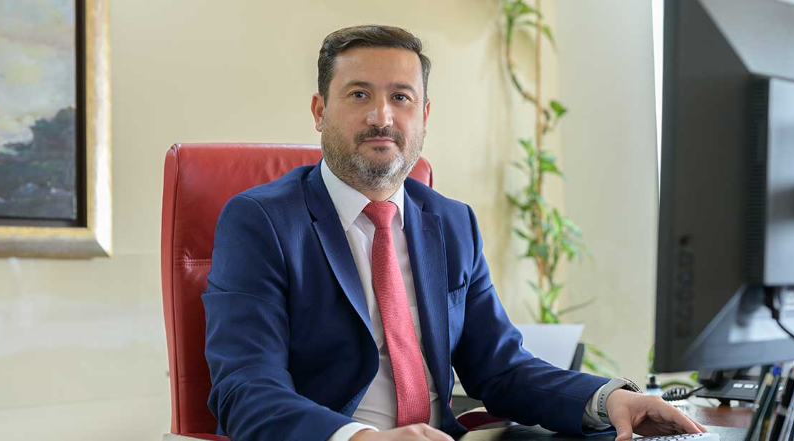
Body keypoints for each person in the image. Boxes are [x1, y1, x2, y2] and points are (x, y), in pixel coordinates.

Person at [202, 25, 707, 441]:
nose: (382, 117)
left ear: (423, 116)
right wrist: (360, 439)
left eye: (401, 97)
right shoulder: (262, 222)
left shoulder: (451, 222)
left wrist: (608, 399)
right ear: (320, 111)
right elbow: (245, 389)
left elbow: (501, 368)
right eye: (359, 95)